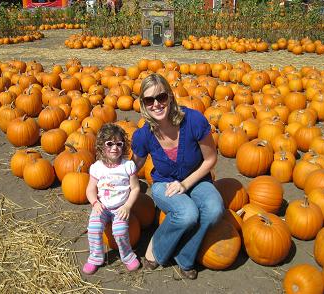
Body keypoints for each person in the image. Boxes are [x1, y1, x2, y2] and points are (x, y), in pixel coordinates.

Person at [131, 73, 224, 280]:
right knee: (187, 214)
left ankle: (185, 256)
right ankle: (157, 248)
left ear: (170, 97)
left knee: (214, 209)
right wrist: (111, 180)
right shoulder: (143, 135)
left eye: (161, 97)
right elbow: (134, 167)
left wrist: (185, 183)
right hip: (163, 183)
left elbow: (210, 159)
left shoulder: (194, 120)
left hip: (197, 178)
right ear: (143, 104)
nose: (156, 104)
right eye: (149, 100)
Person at [83, 123, 141, 275]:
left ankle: (127, 256)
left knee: (120, 231)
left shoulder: (128, 166)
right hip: (101, 206)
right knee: (94, 229)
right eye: (110, 143)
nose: (115, 147)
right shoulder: (96, 167)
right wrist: (95, 203)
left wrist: (128, 206)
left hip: (120, 207)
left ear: (124, 146)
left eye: (119, 144)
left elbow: (135, 188)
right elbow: (90, 189)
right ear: (102, 146)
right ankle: (96, 257)